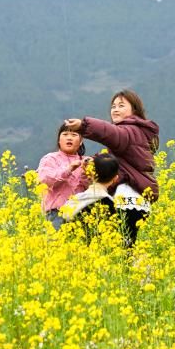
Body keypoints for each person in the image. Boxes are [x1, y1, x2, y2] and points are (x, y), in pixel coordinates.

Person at [63, 89, 159, 246]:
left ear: (134, 110)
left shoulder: (130, 131)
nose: (115, 109)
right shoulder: (137, 132)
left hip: (129, 200)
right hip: (136, 201)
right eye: (113, 106)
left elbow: (112, 133)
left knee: (119, 246)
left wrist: (83, 125)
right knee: (123, 246)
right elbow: (117, 161)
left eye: (121, 105)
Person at [37, 123, 88, 230]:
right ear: (59, 140)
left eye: (74, 135)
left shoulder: (86, 161)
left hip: (82, 213)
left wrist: (86, 171)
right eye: (65, 134)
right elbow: (46, 180)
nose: (69, 138)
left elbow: (90, 187)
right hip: (57, 213)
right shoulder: (50, 159)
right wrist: (69, 170)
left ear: (81, 141)